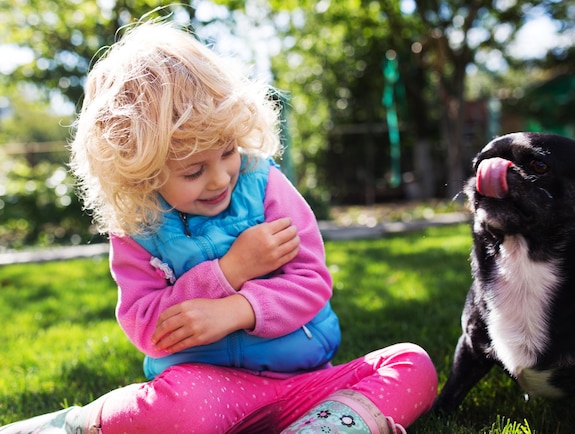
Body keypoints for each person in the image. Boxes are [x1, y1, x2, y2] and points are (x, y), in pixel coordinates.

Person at [0, 20, 437, 434]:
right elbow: (149, 328)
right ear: (143, 174)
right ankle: (74, 424)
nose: (221, 178)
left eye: (227, 151)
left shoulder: (264, 185)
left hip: (306, 384)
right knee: (172, 408)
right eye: (193, 171)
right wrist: (227, 273)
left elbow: (311, 281)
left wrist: (238, 309)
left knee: (410, 364)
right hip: (206, 394)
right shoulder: (137, 225)